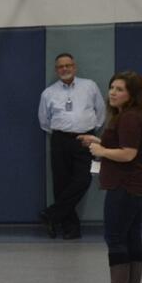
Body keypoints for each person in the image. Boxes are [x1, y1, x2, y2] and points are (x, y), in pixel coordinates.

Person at [78, 72, 142, 283]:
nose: (112, 92)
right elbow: (128, 146)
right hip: (138, 184)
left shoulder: (129, 118)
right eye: (111, 87)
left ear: (132, 94)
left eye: (120, 89)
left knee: (115, 236)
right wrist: (99, 142)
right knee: (131, 234)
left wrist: (102, 152)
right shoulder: (136, 116)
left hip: (126, 184)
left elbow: (128, 154)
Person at [38, 53, 105, 239]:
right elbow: (44, 121)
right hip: (60, 140)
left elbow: (101, 111)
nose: (65, 69)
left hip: (85, 140)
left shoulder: (89, 86)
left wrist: (91, 132)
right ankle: (71, 229)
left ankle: (50, 214)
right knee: (61, 185)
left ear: (74, 67)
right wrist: (63, 132)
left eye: (68, 65)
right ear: (56, 70)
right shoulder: (48, 93)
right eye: (61, 66)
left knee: (83, 180)